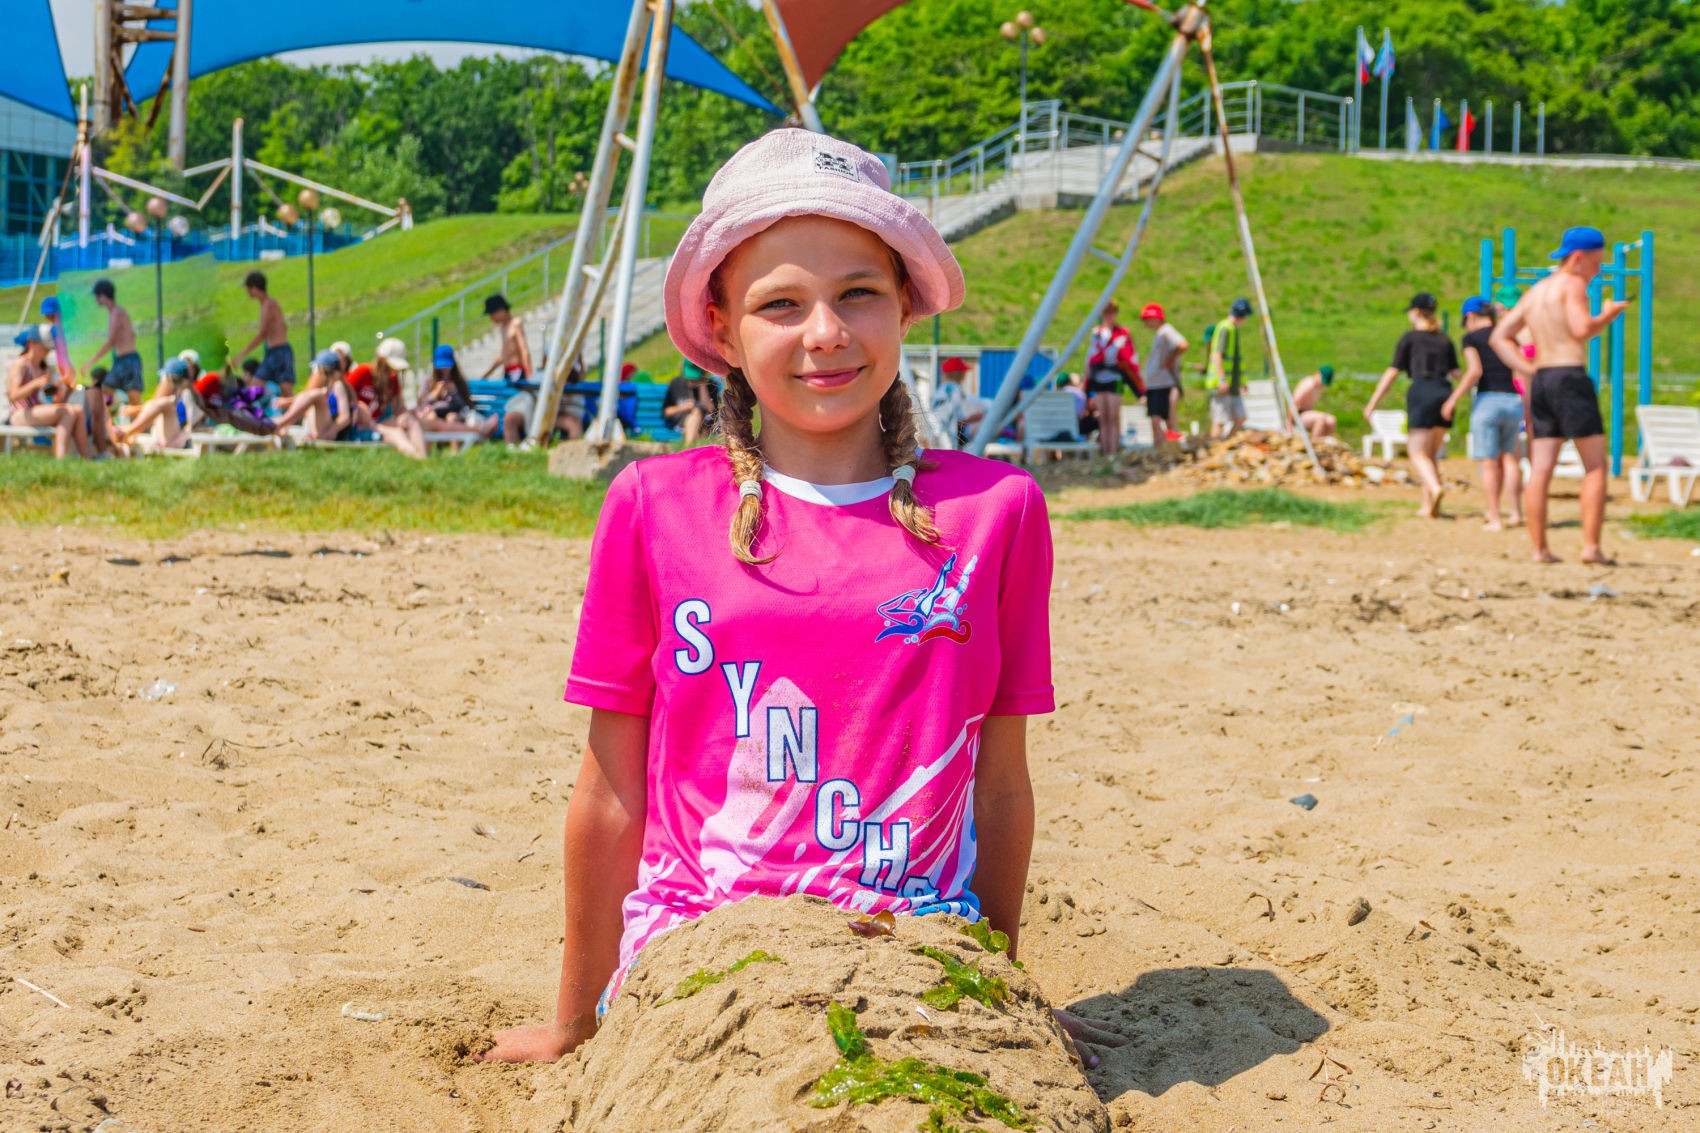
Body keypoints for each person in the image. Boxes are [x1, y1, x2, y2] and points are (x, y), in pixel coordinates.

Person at [480, 128, 1113, 1068]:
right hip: (702, 952)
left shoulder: (997, 512)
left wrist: (1002, 990)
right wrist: (575, 1022)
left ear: (905, 303)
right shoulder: (652, 505)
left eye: (859, 292)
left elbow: (1000, 781)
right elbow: (612, 788)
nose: (826, 333)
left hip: (922, 951)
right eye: (780, 303)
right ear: (722, 329)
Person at [1490, 225, 1627, 565]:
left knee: (1540, 469)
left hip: (1542, 379)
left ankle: (1540, 550)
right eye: (1597, 263)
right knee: (1595, 466)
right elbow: (1581, 329)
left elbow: (1499, 336)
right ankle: (1591, 548)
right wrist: (1608, 315)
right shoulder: (1573, 284)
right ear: (1579, 258)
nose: (1598, 270)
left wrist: (1526, 368)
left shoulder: (1536, 291)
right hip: (1569, 376)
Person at [1364, 293, 1459, 518]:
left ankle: (1435, 488)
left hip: (1422, 391)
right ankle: (1429, 506)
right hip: (1444, 392)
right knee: (1431, 455)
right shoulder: (1444, 339)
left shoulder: (1410, 338)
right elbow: (1456, 373)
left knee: (1416, 452)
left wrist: (1373, 402)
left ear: (1415, 312)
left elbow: (1392, 372)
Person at [1443, 297, 1526, 531]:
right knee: (1511, 460)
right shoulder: (1507, 336)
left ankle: (1494, 516)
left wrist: (1452, 399)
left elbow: (1475, 371)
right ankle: (1516, 513)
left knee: (1489, 463)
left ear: (1470, 316)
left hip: (1488, 400)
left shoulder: (1471, 338)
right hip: (1513, 400)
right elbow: (1518, 371)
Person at [8, 325, 92, 459]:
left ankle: (86, 458)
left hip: (39, 411)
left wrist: (68, 389)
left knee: (78, 410)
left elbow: (56, 403)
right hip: (19, 414)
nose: (47, 352)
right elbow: (13, 396)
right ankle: (61, 459)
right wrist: (35, 383)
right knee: (67, 412)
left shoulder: (45, 369)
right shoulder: (21, 365)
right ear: (31, 343)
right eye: (44, 348)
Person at [1086, 301, 1140, 456]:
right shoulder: (1096, 333)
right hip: (1099, 378)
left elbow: (1129, 357)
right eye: (1106, 312)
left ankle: (1113, 452)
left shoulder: (1122, 333)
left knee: (1113, 417)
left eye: (1112, 312)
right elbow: (1090, 356)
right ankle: (1105, 451)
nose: (1109, 315)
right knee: (1103, 418)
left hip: (1115, 377)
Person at [83, 279, 145, 410]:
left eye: (97, 296)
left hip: (128, 361)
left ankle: (142, 418)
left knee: (135, 399)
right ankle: (118, 411)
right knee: (104, 389)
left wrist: (89, 363)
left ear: (103, 295)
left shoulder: (117, 312)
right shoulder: (114, 313)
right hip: (122, 360)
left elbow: (110, 342)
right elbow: (131, 335)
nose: (96, 300)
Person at [233, 271, 295, 398]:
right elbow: (283, 327)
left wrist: (241, 355)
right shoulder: (267, 305)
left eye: (248, 288)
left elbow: (262, 334)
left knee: (287, 393)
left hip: (280, 352)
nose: (247, 292)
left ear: (255, 288)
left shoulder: (269, 305)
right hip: (273, 353)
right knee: (255, 386)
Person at [271, 349, 355, 442]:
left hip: (334, 431)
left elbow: (345, 417)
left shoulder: (338, 385)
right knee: (311, 398)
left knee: (316, 396)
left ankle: (281, 423)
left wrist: (332, 431)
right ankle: (283, 425)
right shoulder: (330, 387)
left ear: (321, 369)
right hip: (327, 427)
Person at [418, 345, 498, 438]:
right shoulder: (429, 382)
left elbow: (466, 405)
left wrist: (454, 391)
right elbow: (421, 403)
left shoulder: (458, 382)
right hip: (434, 412)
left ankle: (456, 447)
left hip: (455, 413)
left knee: (452, 418)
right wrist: (434, 395)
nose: (444, 369)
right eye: (441, 366)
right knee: (431, 417)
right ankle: (480, 429)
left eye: (447, 366)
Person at [1138, 302, 1187, 442]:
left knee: (1166, 420)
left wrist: (1169, 360)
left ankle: (1168, 447)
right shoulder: (1161, 333)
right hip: (1156, 384)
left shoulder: (1166, 330)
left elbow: (1182, 345)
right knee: (1158, 421)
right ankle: (1163, 447)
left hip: (1164, 383)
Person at [1206, 298, 1252, 438]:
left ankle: (1226, 444)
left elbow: (1235, 361)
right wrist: (1222, 379)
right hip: (1222, 384)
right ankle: (1215, 447)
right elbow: (1217, 355)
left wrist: (1242, 382)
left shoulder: (1233, 330)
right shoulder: (1225, 328)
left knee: (1240, 418)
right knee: (1219, 422)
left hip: (1233, 385)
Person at [662, 359, 722, 444]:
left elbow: (712, 410)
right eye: (689, 378)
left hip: (706, 423)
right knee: (696, 413)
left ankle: (689, 446)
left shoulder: (711, 385)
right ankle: (689, 445)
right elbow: (666, 412)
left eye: (694, 378)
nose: (691, 382)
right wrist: (683, 407)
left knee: (699, 415)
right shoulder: (676, 383)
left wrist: (702, 385)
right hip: (681, 422)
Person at [479, 294, 532, 383]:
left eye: (492, 314)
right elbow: (504, 355)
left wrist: (529, 373)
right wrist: (486, 375)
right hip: (507, 370)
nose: (491, 318)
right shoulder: (503, 327)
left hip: (517, 370)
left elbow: (524, 350)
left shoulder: (515, 324)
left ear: (501, 310)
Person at [1288, 366, 1338, 440]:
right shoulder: (1308, 385)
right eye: (1322, 381)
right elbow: (1294, 403)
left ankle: (1324, 441)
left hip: (1307, 413)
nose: (1322, 384)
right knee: (1320, 418)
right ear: (1318, 374)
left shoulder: (1317, 387)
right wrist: (1290, 424)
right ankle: (1315, 441)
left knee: (1331, 420)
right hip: (1299, 415)